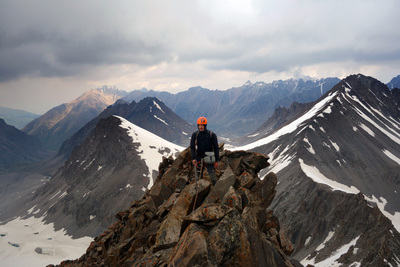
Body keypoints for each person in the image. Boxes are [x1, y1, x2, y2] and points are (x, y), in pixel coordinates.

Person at [190, 116, 219, 185]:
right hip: (199, 158)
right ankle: (199, 192)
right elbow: (192, 147)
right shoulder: (195, 135)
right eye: (199, 125)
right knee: (198, 178)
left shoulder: (212, 135)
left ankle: (216, 191)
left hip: (210, 158)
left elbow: (216, 148)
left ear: (205, 125)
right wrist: (194, 158)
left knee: (213, 177)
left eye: (202, 125)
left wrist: (216, 161)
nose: (200, 127)